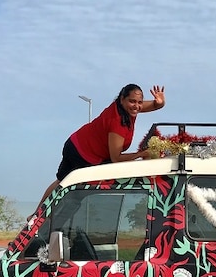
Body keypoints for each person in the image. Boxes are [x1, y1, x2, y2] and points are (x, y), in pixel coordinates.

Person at [32, 84, 166, 213]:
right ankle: (41, 217)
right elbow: (116, 158)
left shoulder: (127, 109)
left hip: (78, 142)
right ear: (122, 100)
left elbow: (154, 105)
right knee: (71, 190)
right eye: (132, 101)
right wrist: (140, 154)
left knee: (61, 182)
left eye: (139, 102)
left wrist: (160, 102)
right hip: (81, 152)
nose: (136, 106)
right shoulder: (117, 123)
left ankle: (36, 215)